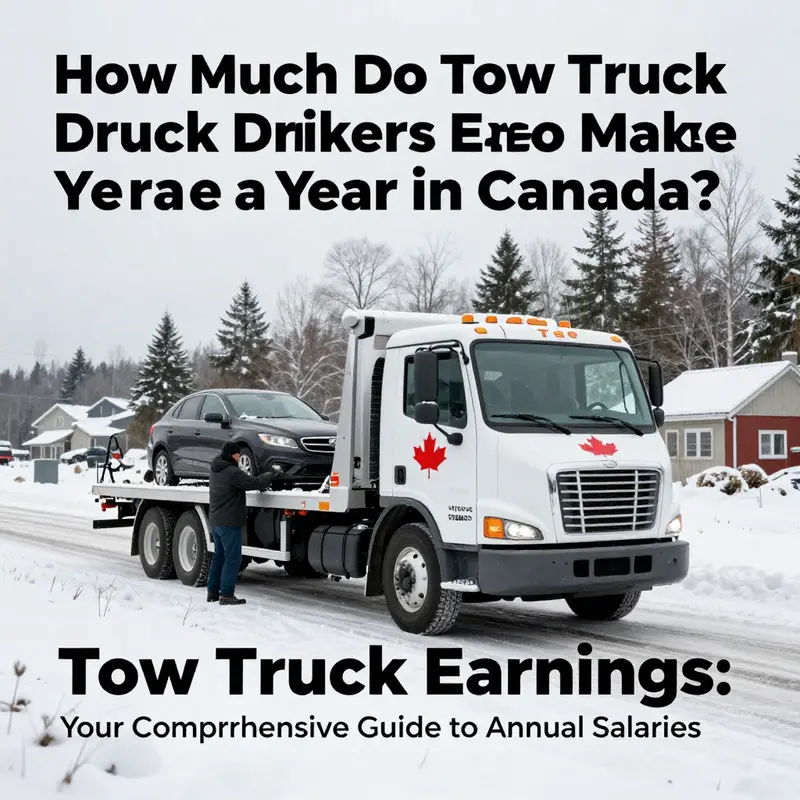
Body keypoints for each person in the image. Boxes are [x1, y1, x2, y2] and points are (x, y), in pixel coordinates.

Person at [207, 441, 280, 605]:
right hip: (229, 522)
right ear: (234, 455)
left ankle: (212, 592)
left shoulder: (215, 471)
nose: (240, 458)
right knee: (233, 559)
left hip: (216, 521)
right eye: (238, 455)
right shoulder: (232, 472)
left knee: (218, 557)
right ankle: (226, 594)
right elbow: (253, 483)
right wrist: (271, 474)